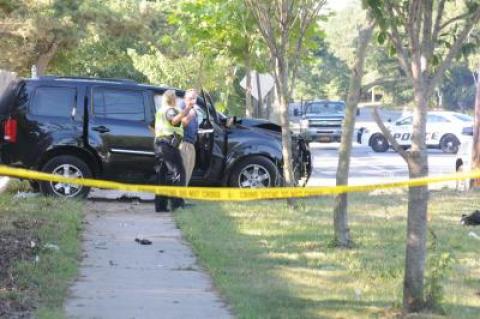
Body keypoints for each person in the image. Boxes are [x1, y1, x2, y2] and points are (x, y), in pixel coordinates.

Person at [153, 90, 192, 212]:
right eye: (175, 97)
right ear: (173, 98)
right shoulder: (171, 110)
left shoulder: (160, 111)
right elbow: (174, 121)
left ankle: (160, 206)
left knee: (162, 175)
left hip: (160, 145)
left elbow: (152, 125)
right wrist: (187, 109)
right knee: (179, 173)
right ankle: (178, 204)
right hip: (168, 146)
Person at [179, 89, 198, 186]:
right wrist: (191, 114)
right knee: (182, 173)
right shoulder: (181, 108)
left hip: (191, 145)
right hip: (183, 144)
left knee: (188, 173)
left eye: (195, 98)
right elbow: (182, 123)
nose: (193, 101)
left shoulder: (193, 110)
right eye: (191, 98)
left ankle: (181, 197)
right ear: (185, 98)